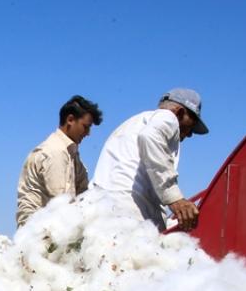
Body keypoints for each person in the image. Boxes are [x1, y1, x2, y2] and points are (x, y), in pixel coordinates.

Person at [92, 88, 208, 231]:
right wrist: (175, 198)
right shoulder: (168, 117)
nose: (190, 134)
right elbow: (150, 137)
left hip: (102, 210)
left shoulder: (133, 124)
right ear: (179, 112)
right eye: (191, 126)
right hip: (127, 214)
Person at [15, 95, 103, 227]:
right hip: (37, 233)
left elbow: (82, 196)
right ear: (70, 120)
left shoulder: (70, 153)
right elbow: (62, 203)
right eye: (85, 127)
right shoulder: (55, 152)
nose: (88, 133)